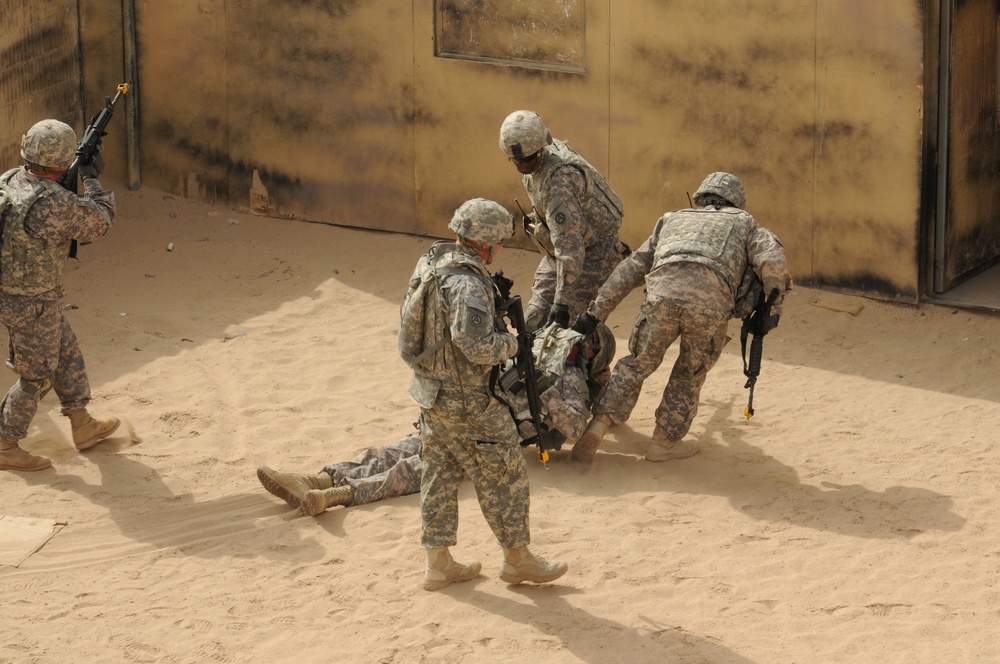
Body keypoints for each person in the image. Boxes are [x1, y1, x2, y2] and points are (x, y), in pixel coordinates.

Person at [256, 320, 617, 517]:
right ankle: (326, 486)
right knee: (411, 458)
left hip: (478, 418)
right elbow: (569, 426)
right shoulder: (556, 363)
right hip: (481, 420)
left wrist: (538, 383)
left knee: (412, 456)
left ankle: (325, 487)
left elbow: (568, 425)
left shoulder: (555, 366)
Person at [400, 197, 567, 591]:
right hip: (469, 400)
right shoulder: (468, 284)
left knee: (439, 473)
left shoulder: (432, 262)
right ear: (488, 242)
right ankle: (517, 560)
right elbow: (474, 346)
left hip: (431, 393)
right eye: (500, 242)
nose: (502, 248)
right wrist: (512, 345)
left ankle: (438, 564)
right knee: (505, 470)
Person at [568, 172, 792, 465]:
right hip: (710, 305)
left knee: (637, 362)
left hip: (661, 297)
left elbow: (631, 268)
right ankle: (664, 441)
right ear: (736, 203)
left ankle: (598, 427)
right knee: (690, 370)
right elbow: (773, 264)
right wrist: (771, 312)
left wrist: (595, 313)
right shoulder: (746, 224)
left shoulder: (670, 220)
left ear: (699, 200)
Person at [0, 119, 120, 472]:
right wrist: (91, 176)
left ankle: (81, 423)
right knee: (37, 376)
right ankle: (6, 443)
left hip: (22, 294)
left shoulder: (11, 179)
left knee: (65, 348)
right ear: (63, 161)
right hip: (31, 301)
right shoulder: (52, 203)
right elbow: (100, 220)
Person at [498, 110, 628, 333]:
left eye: (527, 158)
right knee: (533, 321)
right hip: (559, 254)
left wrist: (561, 302)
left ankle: (593, 368)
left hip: (593, 255)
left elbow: (572, 249)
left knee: (569, 334)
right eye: (517, 160)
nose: (522, 164)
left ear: (540, 147)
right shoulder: (537, 155)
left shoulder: (560, 181)